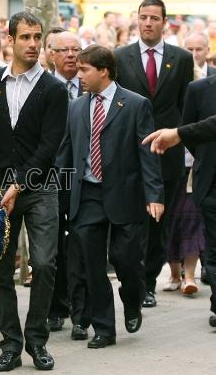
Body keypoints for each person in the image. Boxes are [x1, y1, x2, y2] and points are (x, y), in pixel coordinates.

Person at [56, 44, 164, 348]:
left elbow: (148, 154)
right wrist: (58, 193)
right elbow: (67, 151)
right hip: (87, 194)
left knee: (127, 260)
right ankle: (104, 328)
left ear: (103, 70)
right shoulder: (77, 106)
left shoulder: (135, 104)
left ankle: (132, 301)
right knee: (92, 265)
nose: (79, 76)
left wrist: (154, 194)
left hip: (125, 193)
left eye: (84, 70)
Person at [0, 11, 68, 371]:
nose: (33, 44)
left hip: (40, 187)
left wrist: (19, 184)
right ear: (10, 40)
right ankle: (10, 345)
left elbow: (49, 145)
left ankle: (37, 341)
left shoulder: (54, 89)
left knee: (45, 264)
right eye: (26, 37)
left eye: (38, 38)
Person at [114, 0, 194, 309]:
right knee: (132, 222)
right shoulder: (120, 57)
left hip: (168, 156)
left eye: (154, 18)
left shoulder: (181, 58)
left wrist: (185, 144)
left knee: (158, 224)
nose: (148, 23)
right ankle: (130, 279)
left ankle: (148, 283)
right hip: (129, 154)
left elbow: (185, 108)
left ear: (164, 22)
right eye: (143, 17)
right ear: (137, 19)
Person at [143, 75, 216, 329]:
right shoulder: (198, 89)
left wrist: (177, 133)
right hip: (212, 182)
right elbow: (196, 137)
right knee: (214, 251)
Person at [48, 31, 89, 339]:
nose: (72, 55)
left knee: (80, 246)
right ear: (51, 54)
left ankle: (80, 312)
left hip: (84, 179)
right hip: (48, 178)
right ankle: (55, 307)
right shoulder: (44, 88)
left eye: (76, 49)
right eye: (64, 50)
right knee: (51, 249)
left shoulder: (91, 89)